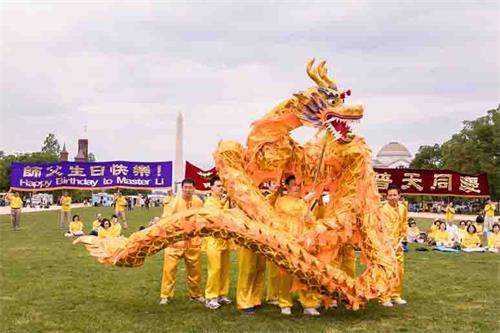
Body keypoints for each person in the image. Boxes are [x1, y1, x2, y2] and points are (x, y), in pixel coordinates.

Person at [272, 175, 320, 316]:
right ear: (286, 186)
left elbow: (310, 220)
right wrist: (305, 200)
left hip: (303, 243)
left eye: (299, 184)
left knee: (305, 273)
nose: (297, 187)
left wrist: (310, 220)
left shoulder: (303, 202)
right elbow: (291, 210)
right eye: (293, 184)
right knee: (285, 274)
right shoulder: (282, 201)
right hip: (287, 242)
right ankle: (285, 303)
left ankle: (309, 304)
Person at [159, 178, 204, 305]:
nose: (188, 190)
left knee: (195, 271)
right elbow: (166, 220)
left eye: (190, 187)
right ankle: (166, 295)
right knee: (169, 270)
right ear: (182, 188)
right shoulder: (174, 203)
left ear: (194, 189)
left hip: (193, 242)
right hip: (175, 243)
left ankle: (195, 295)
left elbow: (202, 218)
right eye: (186, 187)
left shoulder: (198, 202)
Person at [203, 176, 232, 310]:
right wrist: (225, 200)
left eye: (222, 186)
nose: (221, 188)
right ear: (212, 187)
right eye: (218, 186)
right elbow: (215, 216)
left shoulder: (224, 201)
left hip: (224, 239)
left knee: (225, 269)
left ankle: (222, 294)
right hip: (213, 239)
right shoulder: (209, 202)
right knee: (215, 269)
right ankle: (211, 297)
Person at [379, 185, 408, 307]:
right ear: (387, 196)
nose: (392, 197)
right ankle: (385, 297)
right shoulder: (382, 209)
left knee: (399, 271)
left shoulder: (403, 208)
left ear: (399, 195)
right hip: (386, 245)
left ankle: (396, 295)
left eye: (394, 195)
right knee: (386, 271)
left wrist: (402, 238)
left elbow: (404, 224)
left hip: (398, 244)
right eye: (390, 195)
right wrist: (387, 243)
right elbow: (380, 228)